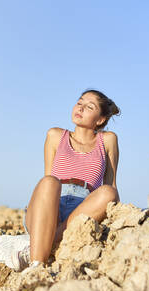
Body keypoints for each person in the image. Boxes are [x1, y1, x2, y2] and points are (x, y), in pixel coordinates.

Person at [12, 89, 121, 271]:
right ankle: (37, 265)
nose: (81, 108)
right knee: (49, 181)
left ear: (100, 119)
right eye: (79, 103)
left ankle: (41, 245)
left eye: (89, 107)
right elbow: (48, 178)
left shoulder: (108, 140)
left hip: (84, 209)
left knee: (110, 192)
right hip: (51, 204)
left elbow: (110, 184)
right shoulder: (55, 135)